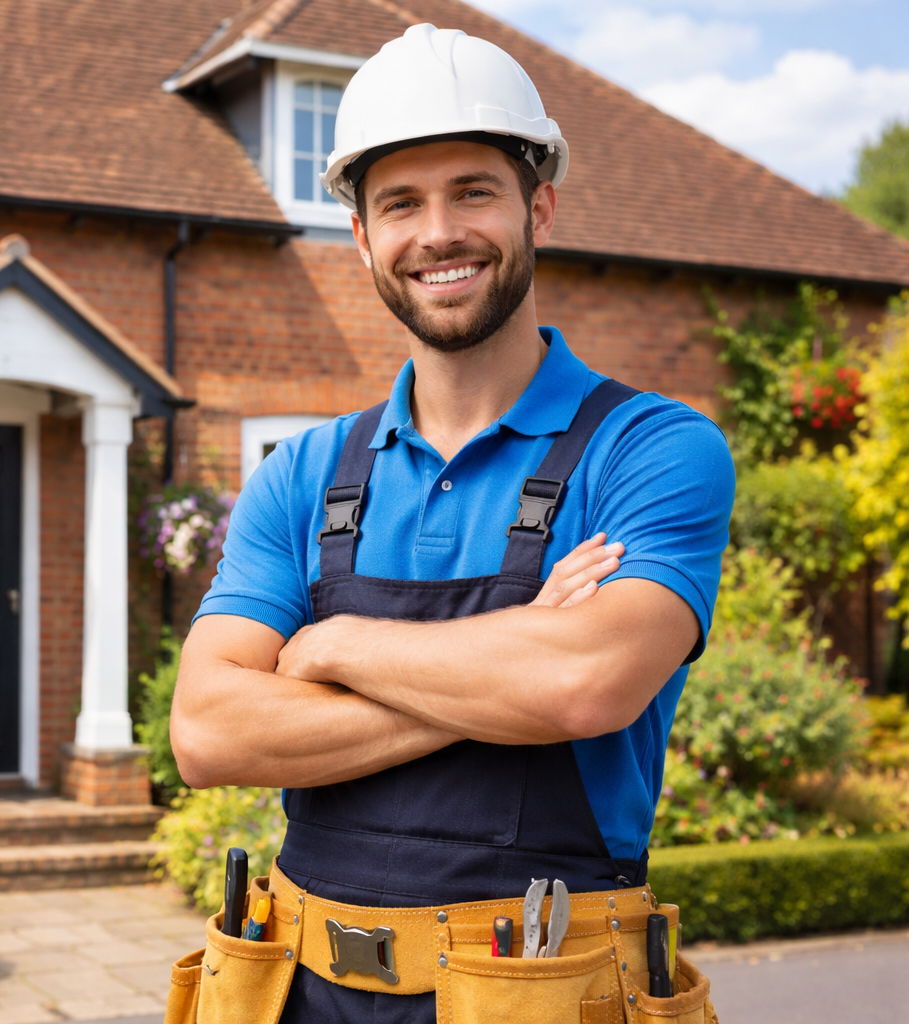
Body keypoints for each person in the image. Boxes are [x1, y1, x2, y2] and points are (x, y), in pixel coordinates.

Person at [170, 23, 734, 1024]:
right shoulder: (303, 473)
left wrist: (330, 644)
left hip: (543, 993)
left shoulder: (651, 449)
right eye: (400, 203)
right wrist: (506, 658)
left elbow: (583, 682)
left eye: (473, 190)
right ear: (363, 238)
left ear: (539, 207)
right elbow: (210, 730)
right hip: (297, 993)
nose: (438, 233)